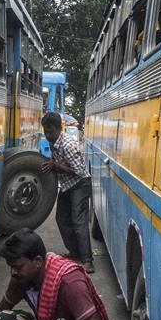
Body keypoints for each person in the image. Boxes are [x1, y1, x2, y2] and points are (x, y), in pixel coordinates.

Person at [40, 111, 95, 274]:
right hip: (67, 185)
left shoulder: (68, 145)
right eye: (46, 131)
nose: (48, 135)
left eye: (51, 132)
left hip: (80, 184)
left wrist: (56, 166)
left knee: (79, 222)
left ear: (59, 128)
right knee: (62, 219)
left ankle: (87, 261)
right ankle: (75, 253)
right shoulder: (53, 141)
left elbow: (79, 171)